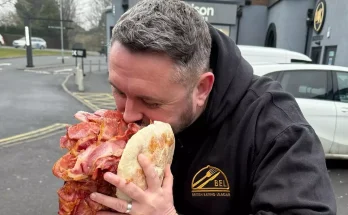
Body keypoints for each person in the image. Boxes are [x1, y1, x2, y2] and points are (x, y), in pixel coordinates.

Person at [89, 0, 337, 214]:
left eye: (151, 102)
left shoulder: (276, 129)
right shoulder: (129, 117)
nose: (128, 115)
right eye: (119, 91)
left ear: (202, 89)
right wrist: (92, 155)